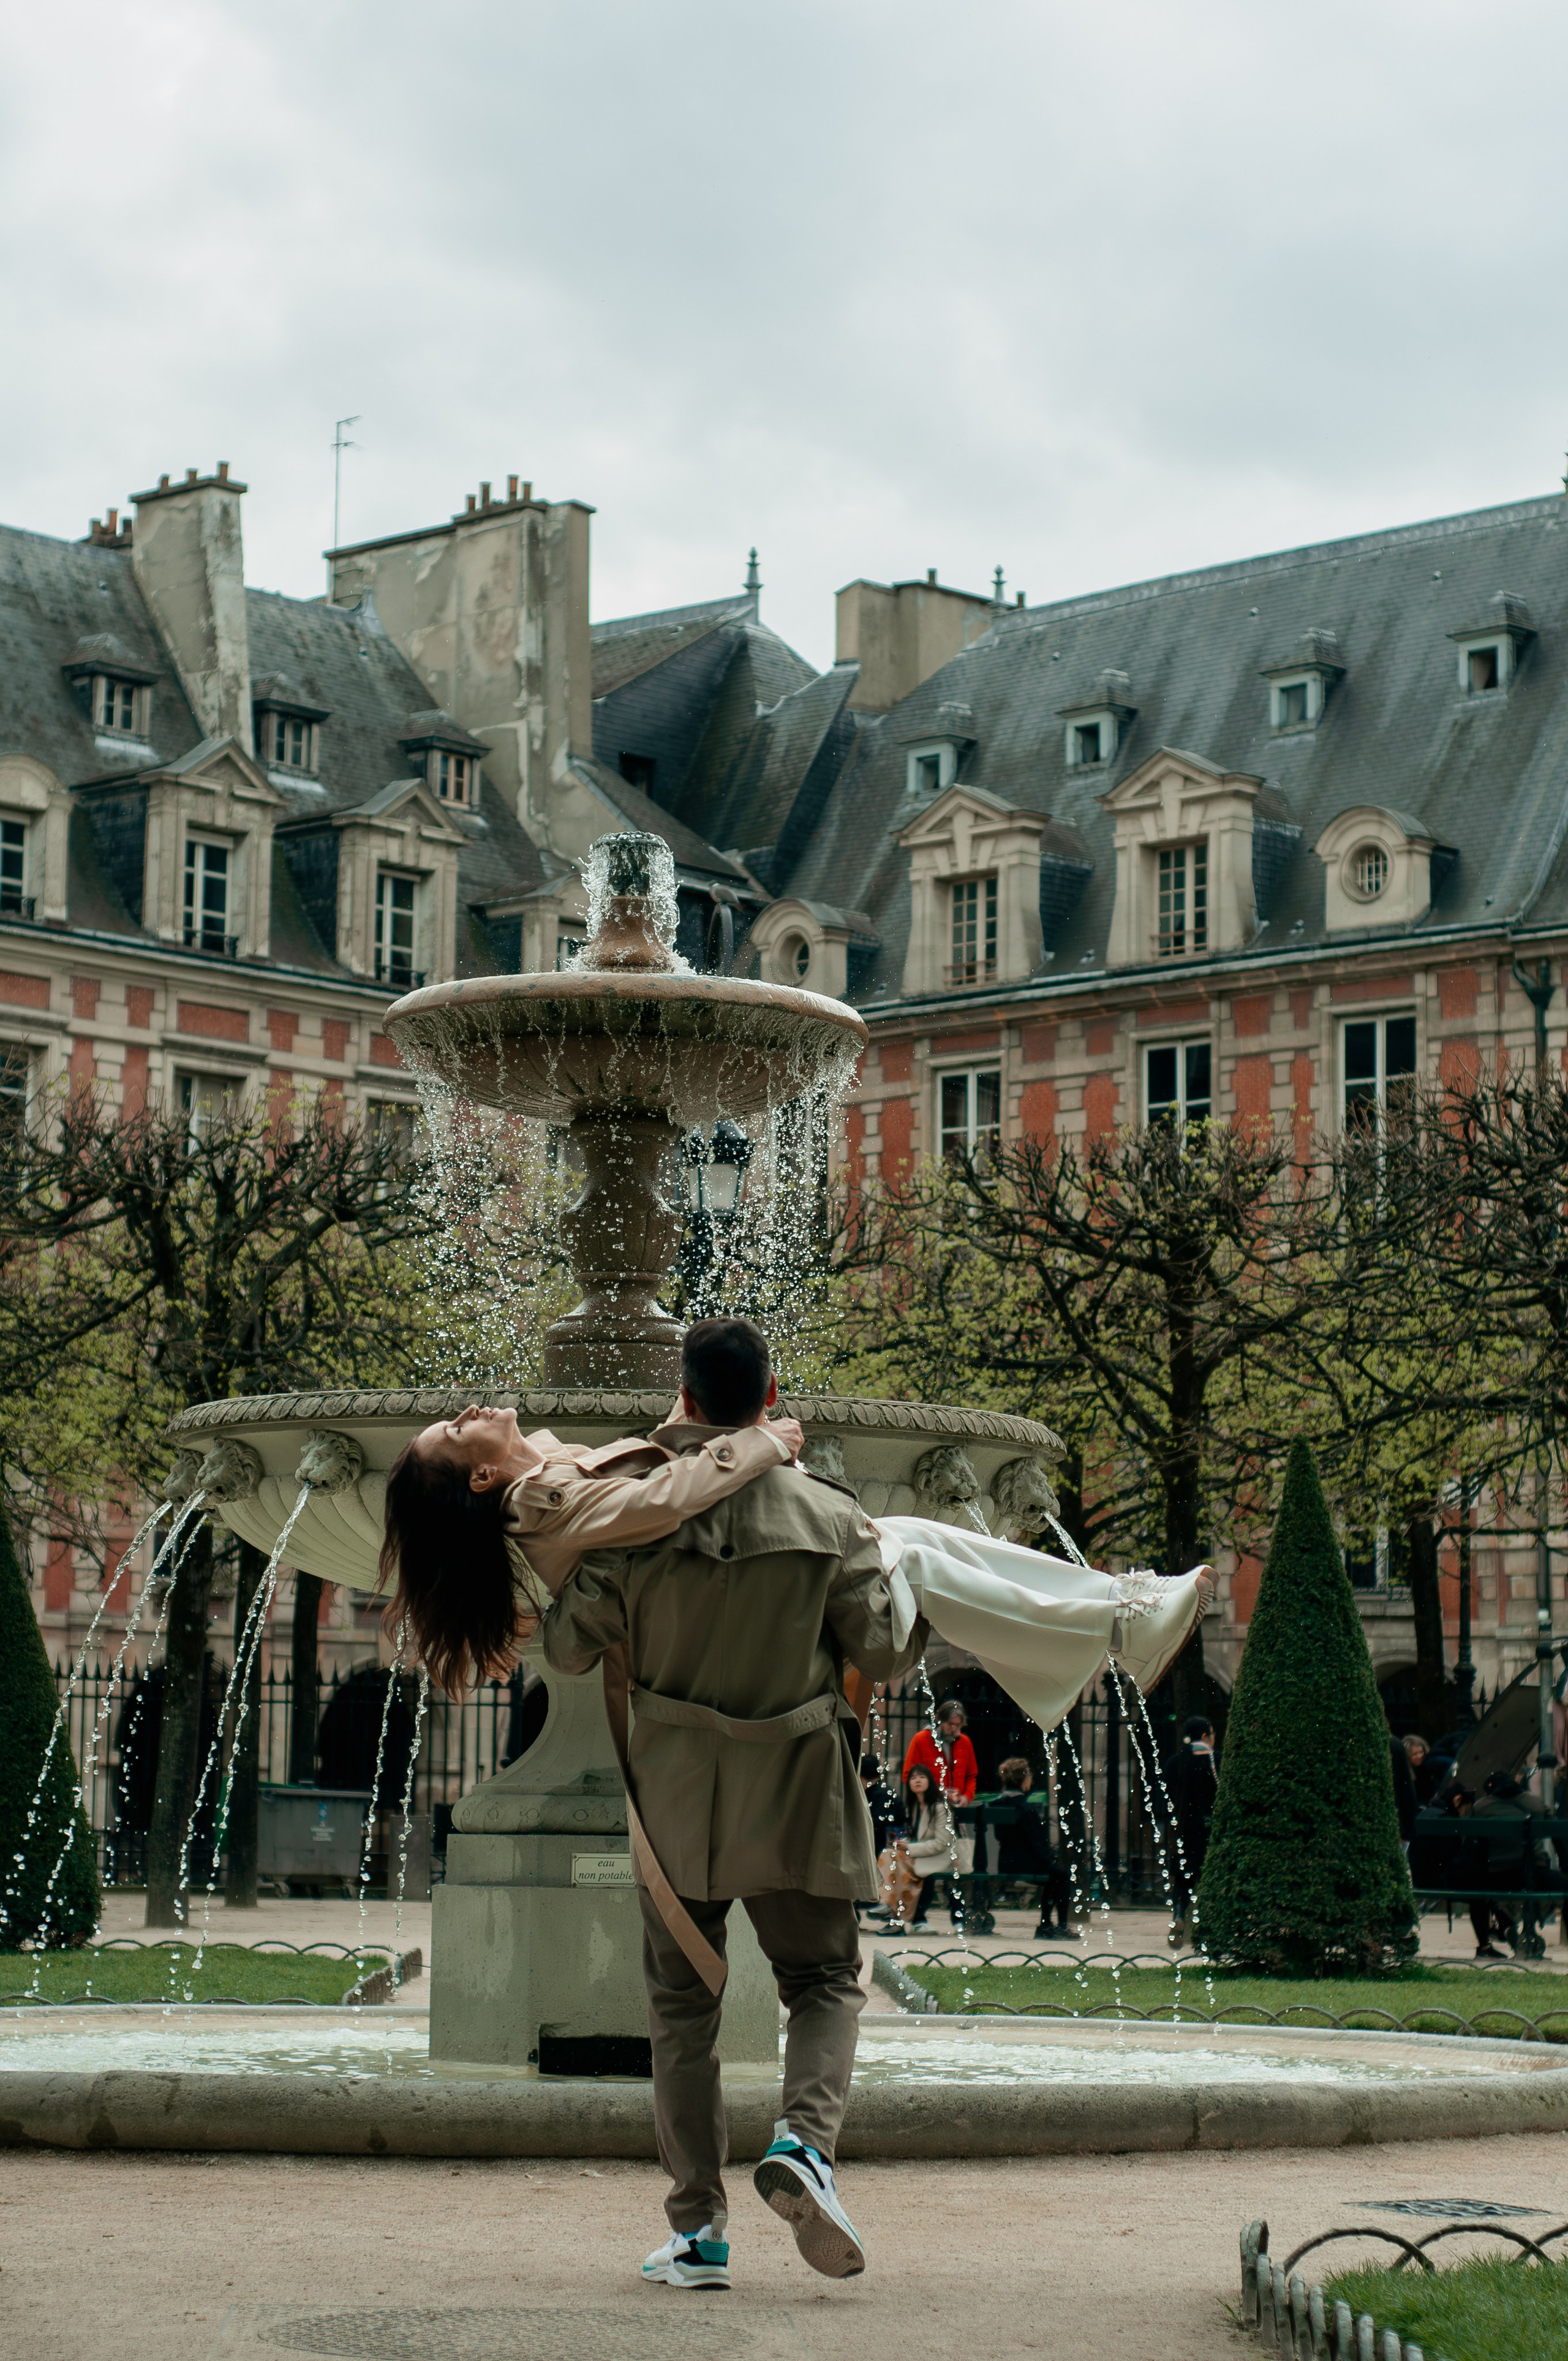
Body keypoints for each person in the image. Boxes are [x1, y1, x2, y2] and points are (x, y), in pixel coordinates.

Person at [542, 1317, 930, 2292]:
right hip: (798, 1790)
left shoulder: (636, 1517)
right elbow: (885, 1651)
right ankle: (805, 2140)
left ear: (684, 1395)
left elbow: (568, 1648)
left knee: (682, 2013)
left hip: (676, 1805)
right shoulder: (831, 1515)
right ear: (771, 1397)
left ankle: (698, 2233)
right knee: (826, 1979)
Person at [987, 1756, 1075, 1939]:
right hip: (1027, 1862)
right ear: (1025, 1780)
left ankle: (1047, 1925)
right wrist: (1050, 1858)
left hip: (1006, 1861)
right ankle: (1057, 1925)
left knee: (1054, 1876)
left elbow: (999, 1836)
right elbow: (1037, 1842)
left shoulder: (997, 1804)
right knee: (1061, 1876)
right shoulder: (1027, 1809)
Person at [1163, 1717, 1219, 1949]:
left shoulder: (1176, 1762)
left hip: (1183, 1830)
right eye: (1212, 1734)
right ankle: (1208, 1931)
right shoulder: (1217, 1760)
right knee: (1210, 1880)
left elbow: (1166, 1797)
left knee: (1182, 1879)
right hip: (1210, 1830)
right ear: (1205, 1736)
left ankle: (1179, 1914)